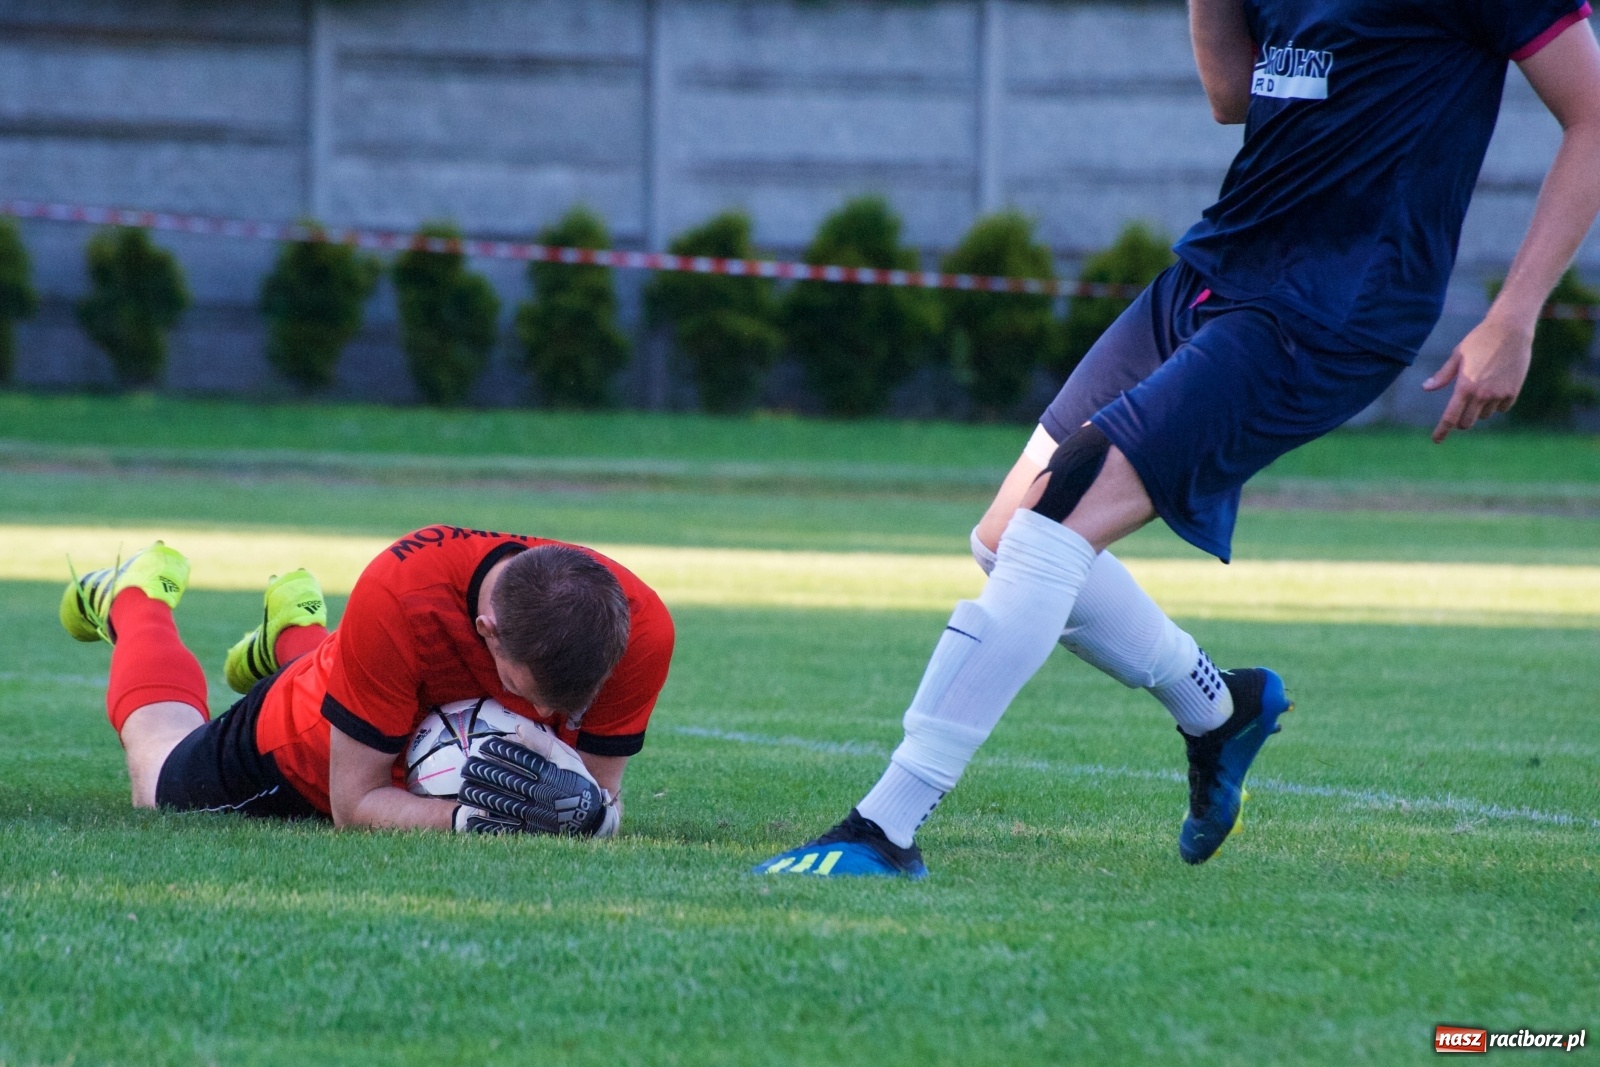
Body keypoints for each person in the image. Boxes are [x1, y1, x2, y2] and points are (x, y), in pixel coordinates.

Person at [758, 0, 1600, 877]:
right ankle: (1217, 709)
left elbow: (1592, 117)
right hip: (1217, 267)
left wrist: (1516, 314)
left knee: (1055, 521)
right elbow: (1232, 93)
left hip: (1326, 307)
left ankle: (883, 829)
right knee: (1006, 539)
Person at [59, 525, 675, 835]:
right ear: (486, 631)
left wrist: (589, 816)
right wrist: (470, 822)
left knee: (376, 664)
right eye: (529, 693)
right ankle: (135, 598)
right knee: (157, 766)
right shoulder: (401, 594)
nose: (546, 719)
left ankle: (293, 629)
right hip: (302, 742)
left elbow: (595, 796)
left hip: (376, 673)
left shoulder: (641, 628)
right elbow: (354, 805)